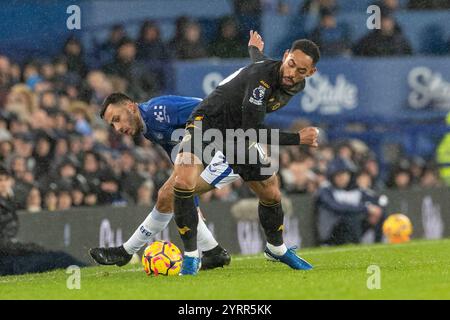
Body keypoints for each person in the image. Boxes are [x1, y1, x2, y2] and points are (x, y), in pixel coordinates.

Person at [171, 31, 320, 275]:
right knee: (183, 181)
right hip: (207, 122)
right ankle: (190, 257)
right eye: (291, 64)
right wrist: (297, 139)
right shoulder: (262, 79)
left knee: (271, 191)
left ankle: (276, 248)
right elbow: (253, 130)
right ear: (285, 56)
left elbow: (258, 60)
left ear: (310, 72)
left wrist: (254, 49)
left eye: (301, 71)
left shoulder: (292, 80)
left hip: (238, 134)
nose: (292, 73)